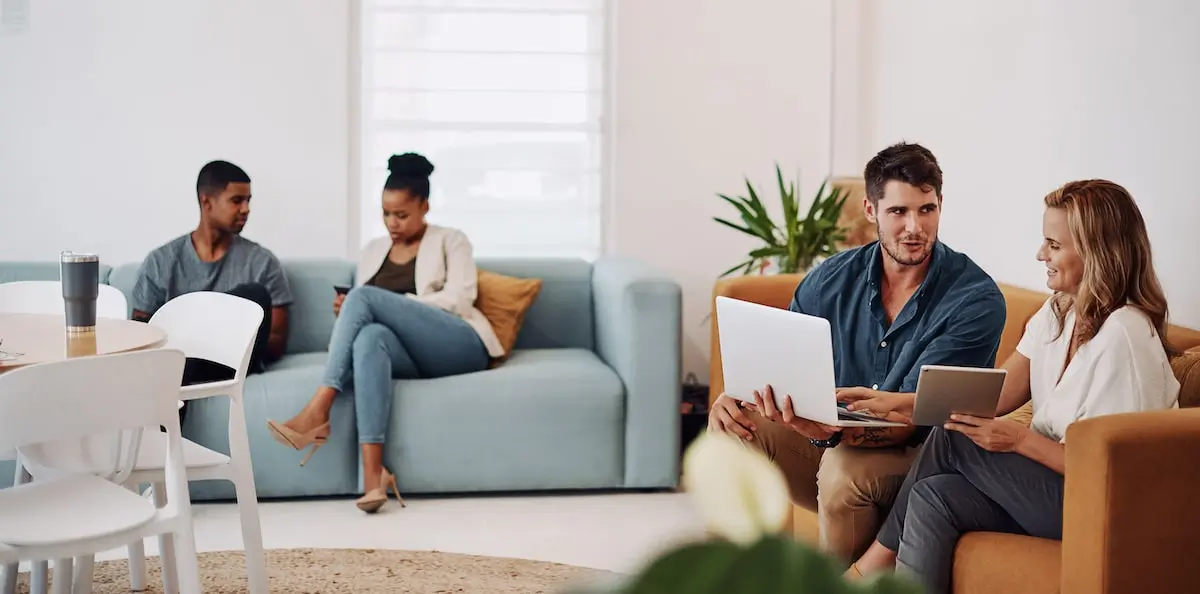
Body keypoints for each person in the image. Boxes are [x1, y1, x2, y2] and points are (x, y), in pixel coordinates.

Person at [839, 179, 1180, 593]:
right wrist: (892, 403)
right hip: (1052, 491)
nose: (1041, 255)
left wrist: (1018, 441)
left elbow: (1114, 471)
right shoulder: (1059, 312)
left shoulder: (1125, 334)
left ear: (1097, 252)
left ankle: (867, 570)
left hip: (1106, 508)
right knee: (935, 497)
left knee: (955, 440)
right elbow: (996, 396)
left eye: (1053, 245)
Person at [707, 142, 1008, 562]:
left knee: (843, 471)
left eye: (926, 209)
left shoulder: (974, 301)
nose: (914, 227)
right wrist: (739, 397)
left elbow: (910, 420)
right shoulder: (828, 280)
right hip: (829, 439)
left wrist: (827, 432)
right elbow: (784, 372)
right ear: (871, 211)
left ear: (940, 205)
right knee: (732, 429)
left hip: (921, 460)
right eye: (898, 212)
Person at [265, 153, 503, 514]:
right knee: (367, 337)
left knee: (364, 299)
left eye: (402, 214)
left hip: (458, 343)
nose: (393, 223)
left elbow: (460, 298)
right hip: (407, 354)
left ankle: (318, 409)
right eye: (386, 214)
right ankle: (374, 479)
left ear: (425, 206)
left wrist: (389, 302)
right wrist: (351, 311)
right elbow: (370, 314)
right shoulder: (374, 250)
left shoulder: (451, 240)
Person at [131, 160, 293, 422]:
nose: (246, 209)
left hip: (236, 361)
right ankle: (161, 454)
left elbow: (275, 344)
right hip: (180, 362)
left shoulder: (262, 262)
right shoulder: (161, 261)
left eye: (249, 200)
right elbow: (140, 333)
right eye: (237, 200)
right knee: (178, 362)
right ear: (206, 202)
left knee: (255, 294)